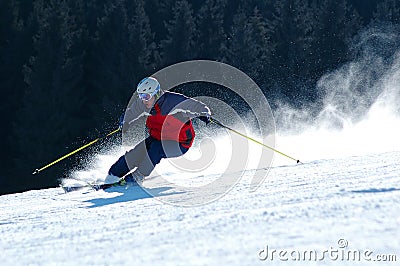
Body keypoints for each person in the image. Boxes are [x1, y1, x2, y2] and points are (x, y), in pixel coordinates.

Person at [107, 77, 212, 185]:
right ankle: (112, 176)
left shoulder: (173, 101)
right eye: (141, 96)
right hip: (157, 137)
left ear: (156, 94)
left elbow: (198, 106)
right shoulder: (142, 105)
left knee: (155, 150)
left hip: (180, 143)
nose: (143, 100)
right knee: (136, 152)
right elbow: (130, 114)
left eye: (146, 96)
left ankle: (137, 177)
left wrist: (204, 114)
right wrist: (125, 123)